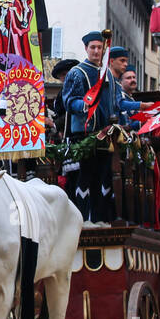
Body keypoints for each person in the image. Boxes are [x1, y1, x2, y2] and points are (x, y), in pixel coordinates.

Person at [60, 32, 116, 223]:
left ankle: (99, 218)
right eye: (93, 47)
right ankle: (82, 219)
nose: (96, 51)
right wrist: (83, 105)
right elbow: (68, 100)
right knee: (85, 177)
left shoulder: (107, 73)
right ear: (86, 49)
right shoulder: (77, 72)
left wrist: (141, 107)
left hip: (105, 132)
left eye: (99, 48)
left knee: (101, 178)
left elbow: (115, 102)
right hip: (83, 133)